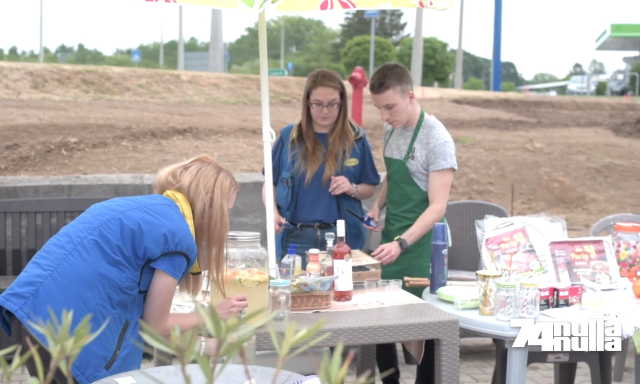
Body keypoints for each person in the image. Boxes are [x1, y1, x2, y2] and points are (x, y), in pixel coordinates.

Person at [0, 155, 249, 384]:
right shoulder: (177, 235)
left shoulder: (141, 207)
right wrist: (212, 315)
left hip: (29, 314)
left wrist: (205, 345)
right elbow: (156, 325)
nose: (224, 222)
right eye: (225, 213)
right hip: (66, 334)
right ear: (209, 203)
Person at [365, 63, 458, 384]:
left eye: (389, 107)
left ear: (411, 96)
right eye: (378, 109)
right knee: (380, 323)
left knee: (425, 329)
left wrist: (403, 242)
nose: (384, 116)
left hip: (423, 248)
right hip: (392, 241)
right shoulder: (391, 129)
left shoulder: (438, 139)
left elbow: (437, 207)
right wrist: (377, 204)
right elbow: (394, 174)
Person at [263, 68, 380, 264]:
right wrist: (272, 213)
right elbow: (270, 183)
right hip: (293, 241)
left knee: (341, 294)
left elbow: (369, 188)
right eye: (317, 104)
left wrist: (351, 189)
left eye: (332, 104)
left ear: (341, 103)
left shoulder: (357, 138)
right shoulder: (288, 137)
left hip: (340, 241)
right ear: (307, 103)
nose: (325, 111)